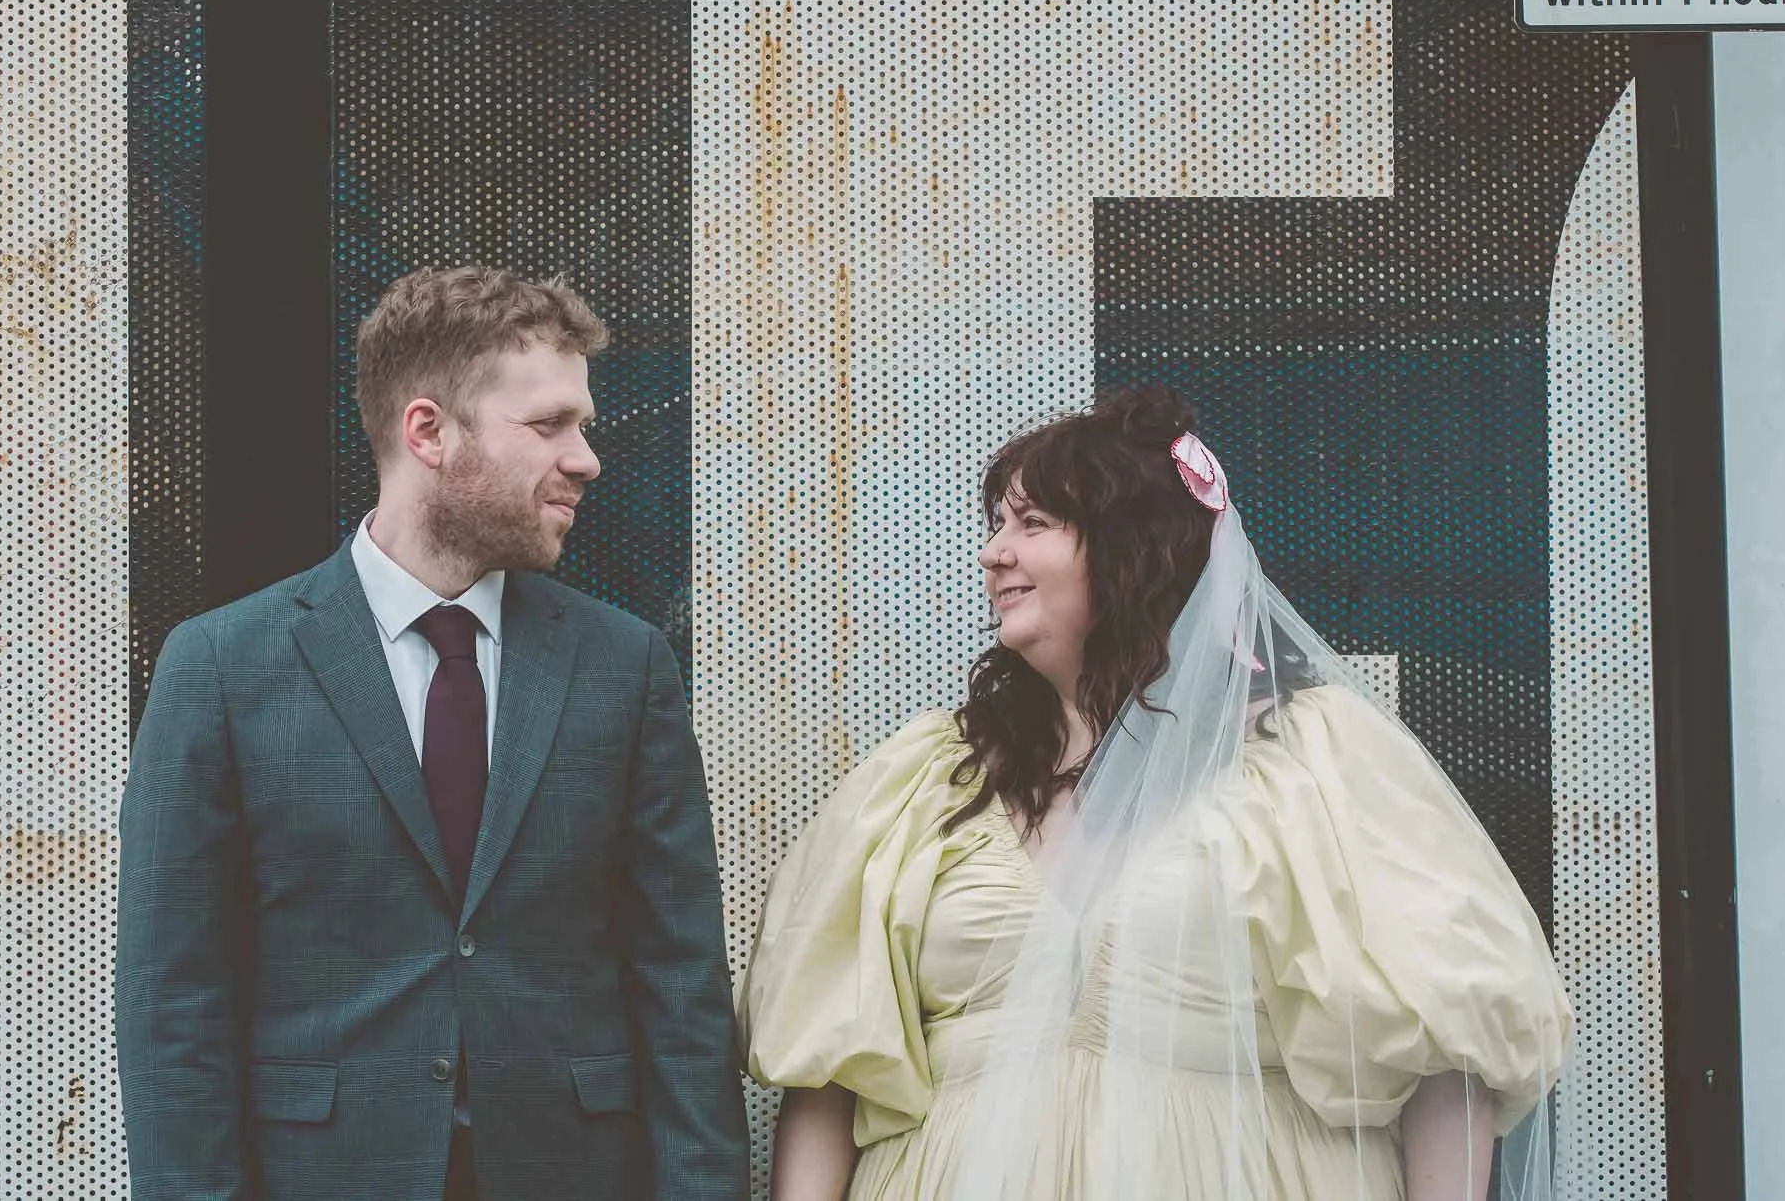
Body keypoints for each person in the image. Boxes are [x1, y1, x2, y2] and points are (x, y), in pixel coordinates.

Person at [740, 385, 1571, 1201]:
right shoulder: (924, 779)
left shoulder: (1317, 760)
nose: (994, 553)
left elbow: (1450, 1047)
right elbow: (828, 1075)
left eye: (1033, 524)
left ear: (1131, 548)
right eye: (996, 526)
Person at [117, 266, 749, 1201]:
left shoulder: (625, 666)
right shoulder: (221, 666)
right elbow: (174, 1005)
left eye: (582, 425)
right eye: (549, 425)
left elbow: (681, 985)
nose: (585, 459)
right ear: (428, 432)